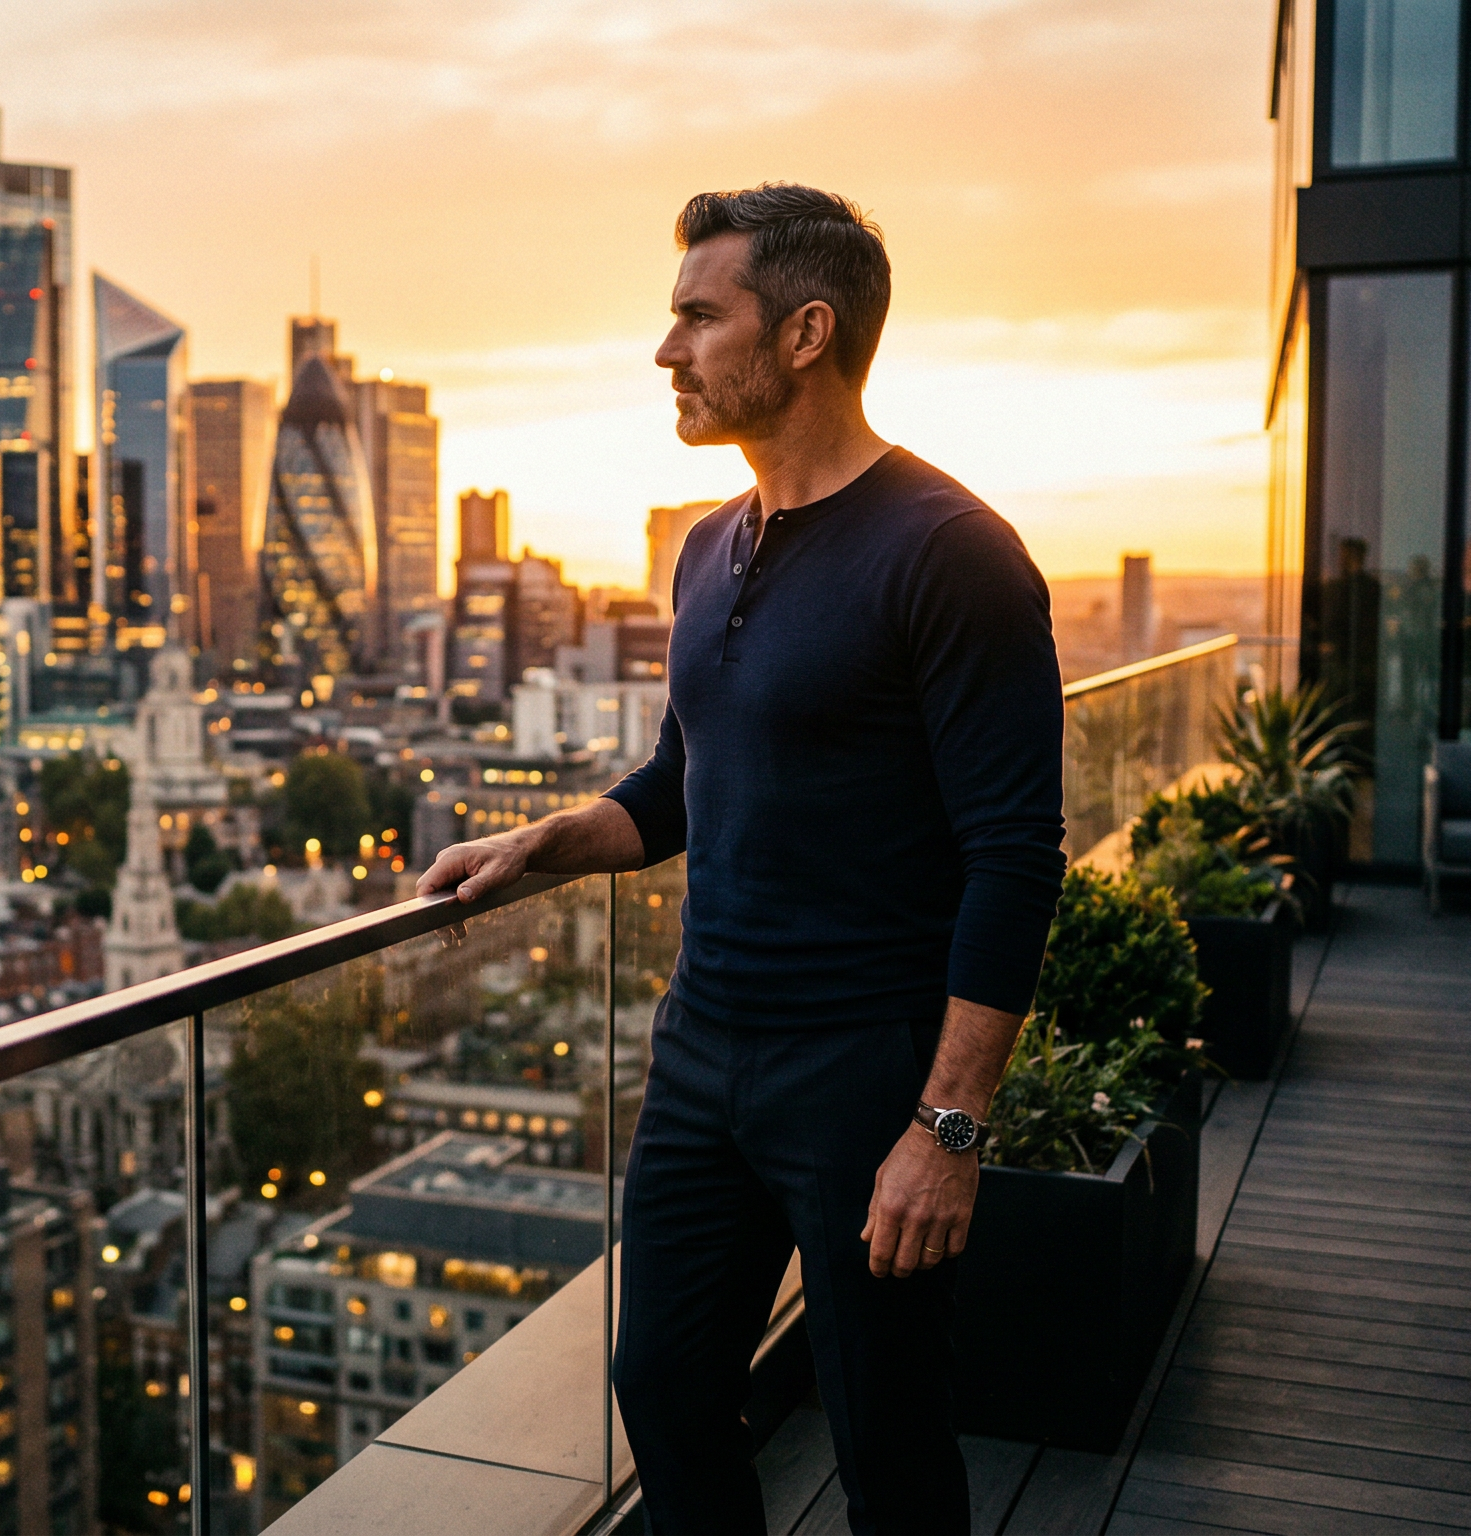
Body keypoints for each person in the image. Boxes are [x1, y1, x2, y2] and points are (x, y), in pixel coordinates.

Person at [417, 183, 1065, 1534]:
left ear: (807, 333)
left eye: (700, 317)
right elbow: (684, 784)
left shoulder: (953, 555)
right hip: (702, 1050)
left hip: (864, 1068)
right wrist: (544, 841)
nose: (669, 351)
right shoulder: (710, 546)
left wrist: (947, 1130)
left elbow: (1014, 856)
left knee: (886, 1438)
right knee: (659, 1388)